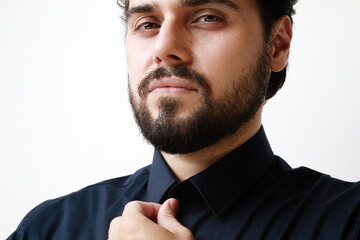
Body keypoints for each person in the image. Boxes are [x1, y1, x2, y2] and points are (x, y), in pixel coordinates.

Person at [7, 0, 360, 239]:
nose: (164, 46)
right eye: (148, 23)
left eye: (207, 17)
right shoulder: (50, 228)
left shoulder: (349, 222)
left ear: (277, 45)